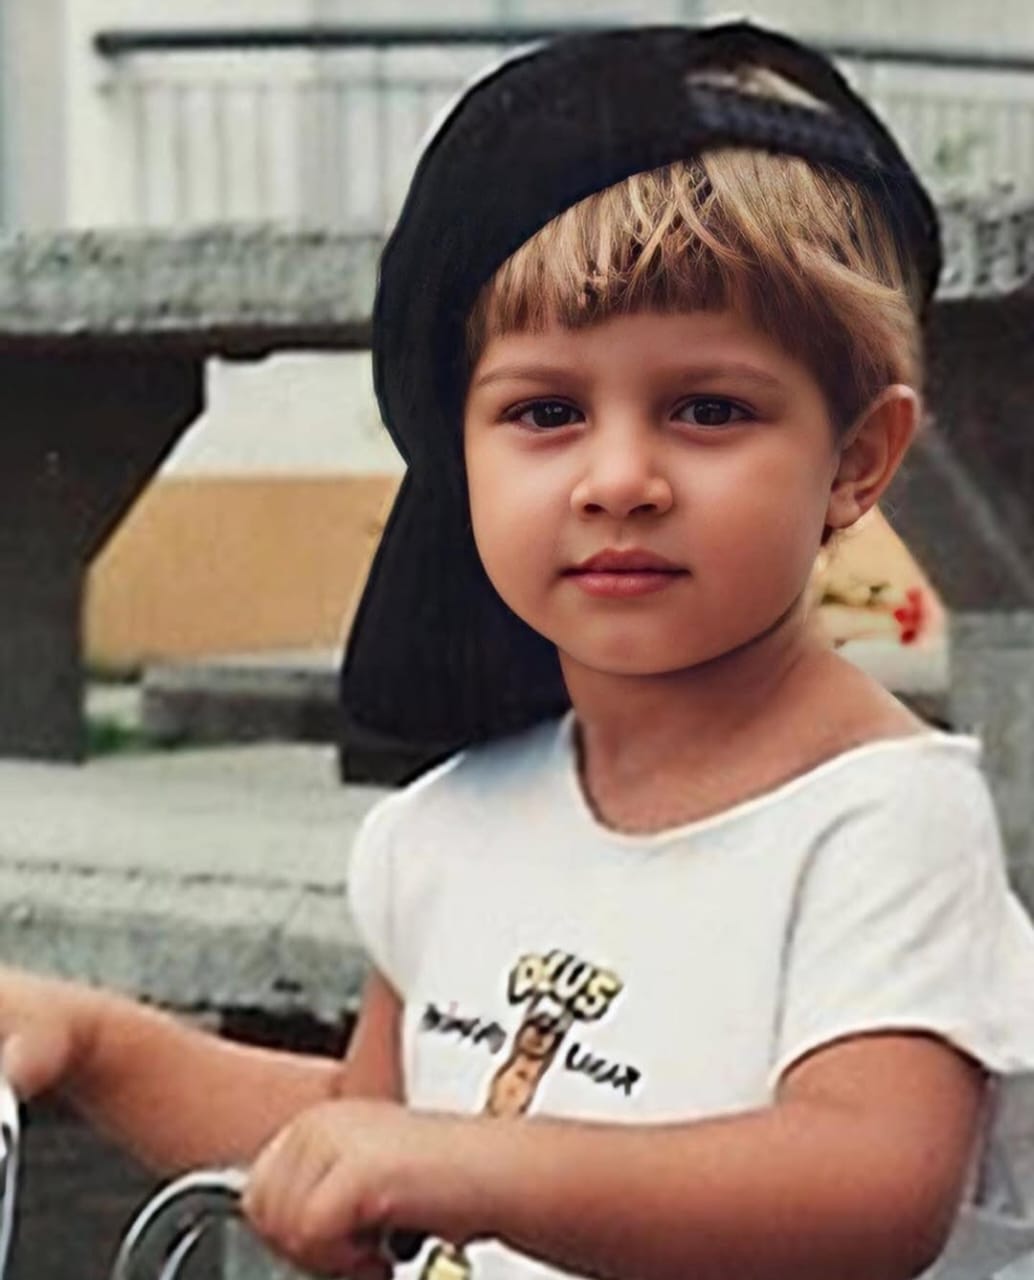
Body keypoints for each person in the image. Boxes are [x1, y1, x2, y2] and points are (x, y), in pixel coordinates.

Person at [4, 22, 1034, 1280]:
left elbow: (864, 1187)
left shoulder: (876, 819)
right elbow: (364, 1124)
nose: (618, 478)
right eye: (544, 412)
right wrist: (98, 1044)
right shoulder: (449, 823)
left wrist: (462, 1164)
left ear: (857, 457)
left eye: (707, 409)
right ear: (463, 454)